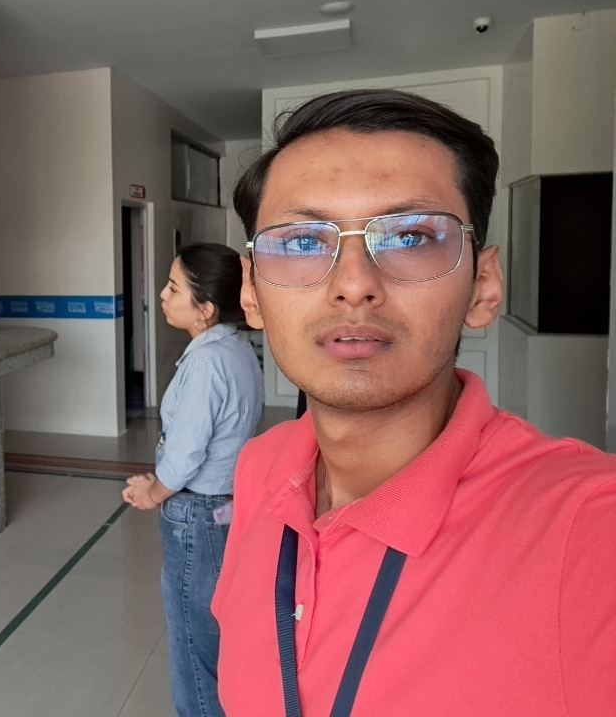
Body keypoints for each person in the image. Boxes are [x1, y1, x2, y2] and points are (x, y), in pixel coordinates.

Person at [212, 89, 616, 717]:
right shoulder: (260, 466)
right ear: (251, 294)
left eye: (410, 236)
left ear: (482, 286)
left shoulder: (586, 533)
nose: (354, 285)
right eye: (299, 242)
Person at [123, 243, 264, 717]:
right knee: (212, 630)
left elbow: (186, 455)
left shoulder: (205, 363)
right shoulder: (237, 349)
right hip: (224, 506)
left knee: (192, 647)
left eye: (173, 288)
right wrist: (161, 479)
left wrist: (154, 491)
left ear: (204, 309)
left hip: (197, 515)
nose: (162, 296)